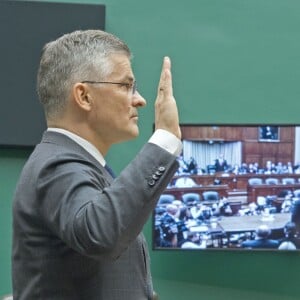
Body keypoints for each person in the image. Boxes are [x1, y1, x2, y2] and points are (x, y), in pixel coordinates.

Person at [12, 30, 182, 300]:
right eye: (126, 86)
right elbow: (100, 232)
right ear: (84, 96)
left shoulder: (78, 165)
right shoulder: (55, 165)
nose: (139, 99)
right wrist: (165, 139)